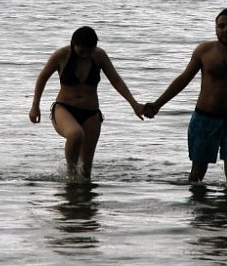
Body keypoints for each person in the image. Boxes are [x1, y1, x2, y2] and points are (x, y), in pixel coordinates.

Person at [144, 8, 227, 186]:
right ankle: (199, 203)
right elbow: (183, 79)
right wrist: (158, 104)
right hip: (204, 119)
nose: (225, 30)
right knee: (197, 174)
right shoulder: (204, 51)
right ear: (216, 29)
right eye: (221, 26)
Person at [29, 26, 144, 180]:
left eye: (89, 51)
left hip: (91, 113)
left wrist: (134, 104)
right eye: (82, 51)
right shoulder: (61, 55)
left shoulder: (99, 55)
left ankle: (81, 190)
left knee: (86, 171)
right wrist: (35, 106)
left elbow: (116, 80)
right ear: (73, 44)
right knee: (76, 134)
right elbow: (43, 77)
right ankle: (70, 174)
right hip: (64, 109)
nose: (85, 55)